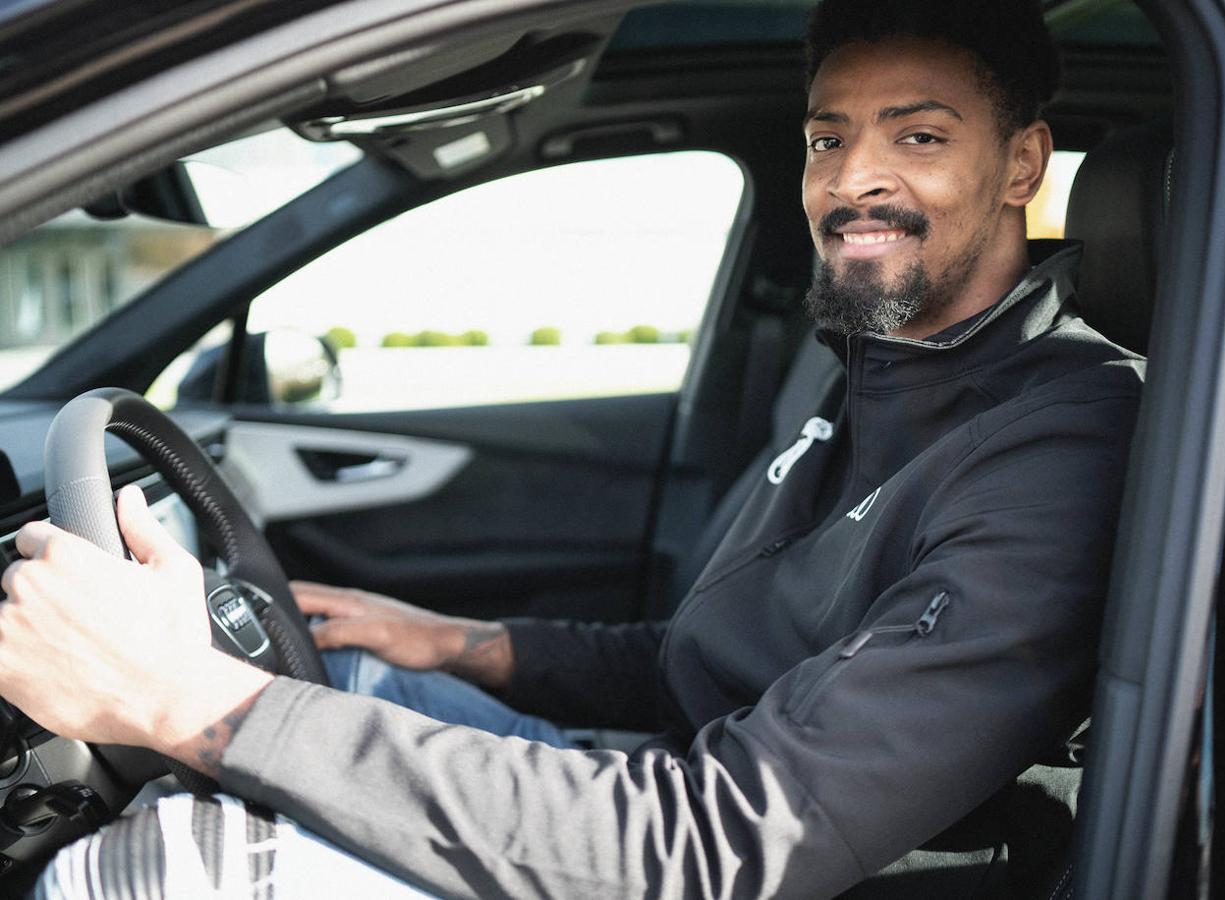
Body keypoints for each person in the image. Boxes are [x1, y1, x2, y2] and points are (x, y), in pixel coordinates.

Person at [0, 0, 1146, 896]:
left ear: (1022, 163)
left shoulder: (1058, 449)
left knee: (140, 870)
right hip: (678, 798)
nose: (851, 180)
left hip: (752, 862)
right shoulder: (884, 371)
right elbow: (711, 661)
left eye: (921, 136)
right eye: (827, 137)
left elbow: (724, 844)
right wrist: (464, 642)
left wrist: (180, 699)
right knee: (347, 671)